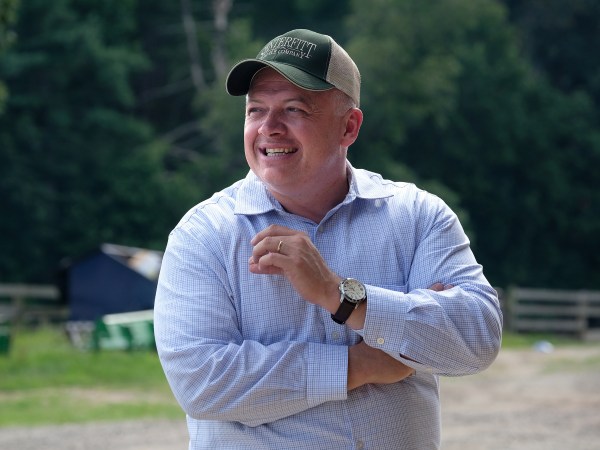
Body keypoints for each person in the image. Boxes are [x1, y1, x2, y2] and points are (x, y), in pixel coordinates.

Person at [154, 28, 502, 449]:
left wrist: (342, 297)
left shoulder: (417, 216)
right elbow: (202, 383)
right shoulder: (203, 235)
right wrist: (359, 365)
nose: (269, 128)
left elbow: (477, 338)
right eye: (256, 110)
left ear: (349, 127)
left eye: (294, 109)